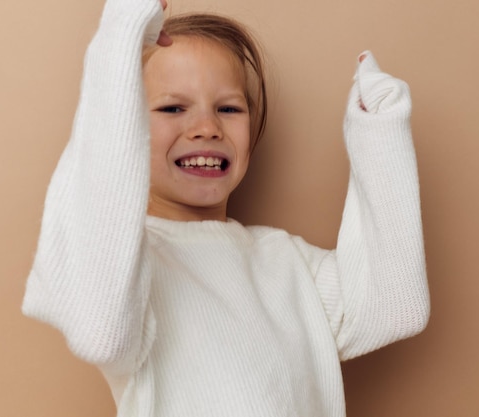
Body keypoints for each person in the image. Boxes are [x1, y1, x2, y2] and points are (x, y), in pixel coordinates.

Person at [22, 0, 430, 415]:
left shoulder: (285, 260)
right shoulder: (129, 267)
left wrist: (379, 136)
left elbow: (395, 309)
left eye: (229, 108)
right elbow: (100, 332)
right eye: (172, 108)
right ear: (126, 121)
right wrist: (116, 49)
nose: (207, 128)